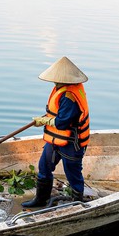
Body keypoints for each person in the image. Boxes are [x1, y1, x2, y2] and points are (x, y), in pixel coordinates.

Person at [22, 56, 90, 209]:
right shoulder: (60, 89)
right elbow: (56, 114)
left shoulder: (70, 96)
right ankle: (41, 199)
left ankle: (76, 201)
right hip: (55, 140)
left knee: (73, 173)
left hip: (72, 143)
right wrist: (45, 119)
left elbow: (62, 122)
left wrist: (44, 121)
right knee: (44, 166)